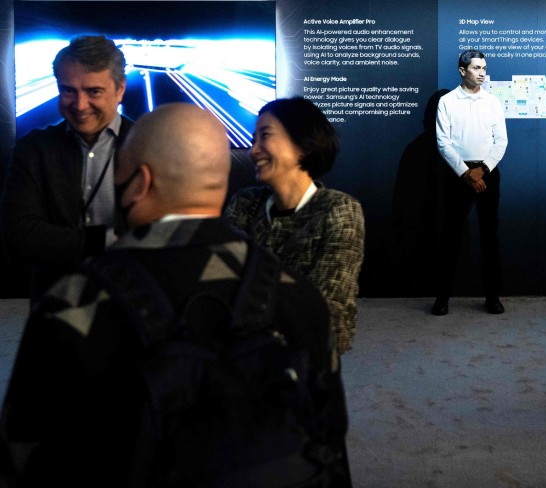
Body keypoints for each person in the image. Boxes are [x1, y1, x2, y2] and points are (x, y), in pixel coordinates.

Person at [0, 103, 352, 486]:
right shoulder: (300, 299)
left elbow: (22, 449)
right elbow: (330, 437)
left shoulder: (72, 301)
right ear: (217, 182)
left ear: (140, 183)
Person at [225, 97, 365, 355]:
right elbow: (221, 286)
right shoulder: (245, 203)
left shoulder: (339, 210)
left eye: (265, 136)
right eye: (254, 139)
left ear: (304, 145)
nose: (253, 150)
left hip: (306, 358)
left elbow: (325, 308)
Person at [1, 35, 133, 304]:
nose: (80, 105)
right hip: (55, 300)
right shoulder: (33, 149)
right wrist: (109, 240)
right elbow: (19, 236)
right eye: (68, 91)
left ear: (120, 90)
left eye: (93, 91)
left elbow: (164, 235)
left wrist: (62, 242)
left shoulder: (151, 145)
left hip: (132, 300)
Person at [433, 49, 509, 316]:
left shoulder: (492, 102)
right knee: (451, 236)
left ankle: (492, 297)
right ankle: (442, 298)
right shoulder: (447, 102)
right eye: (477, 68)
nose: (482, 73)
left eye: (484, 68)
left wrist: (483, 169)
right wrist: (467, 173)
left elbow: (501, 141)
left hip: (488, 174)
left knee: (490, 236)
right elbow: (444, 143)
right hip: (458, 176)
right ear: (462, 71)